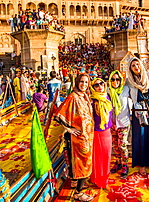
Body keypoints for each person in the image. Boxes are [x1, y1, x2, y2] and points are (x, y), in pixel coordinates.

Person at [54, 74, 94, 202]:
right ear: (77, 82)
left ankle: (76, 183)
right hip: (78, 138)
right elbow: (58, 114)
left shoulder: (85, 96)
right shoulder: (72, 97)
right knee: (83, 163)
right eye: (81, 82)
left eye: (86, 82)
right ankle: (78, 192)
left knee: (83, 162)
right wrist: (69, 128)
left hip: (87, 136)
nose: (84, 84)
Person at [126, 57, 149, 174]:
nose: (136, 67)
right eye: (133, 66)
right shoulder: (129, 81)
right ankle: (142, 164)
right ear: (130, 69)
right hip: (139, 113)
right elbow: (124, 95)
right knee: (140, 138)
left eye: (137, 64)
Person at [89, 78, 113, 188]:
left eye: (101, 84)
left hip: (107, 131)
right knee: (97, 158)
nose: (100, 86)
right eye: (96, 85)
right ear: (93, 88)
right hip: (96, 132)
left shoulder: (106, 97)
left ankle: (104, 177)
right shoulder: (92, 100)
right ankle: (98, 180)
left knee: (107, 156)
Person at [108, 70, 132, 178]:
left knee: (122, 145)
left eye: (117, 79)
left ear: (121, 80)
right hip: (112, 123)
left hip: (124, 122)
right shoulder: (108, 91)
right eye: (113, 79)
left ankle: (125, 165)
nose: (115, 81)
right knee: (115, 145)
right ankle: (118, 162)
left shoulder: (126, 90)